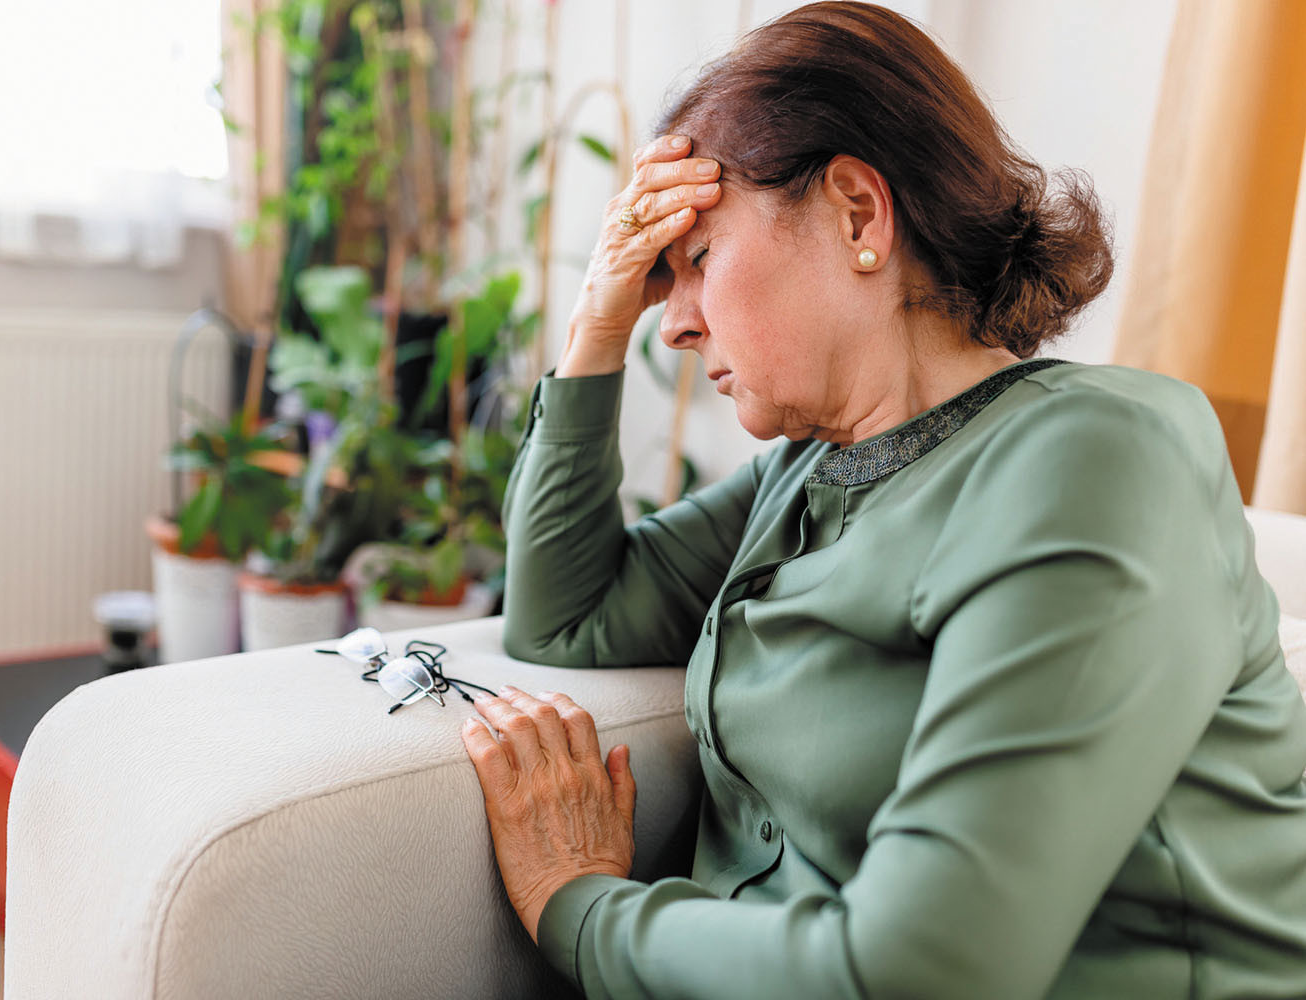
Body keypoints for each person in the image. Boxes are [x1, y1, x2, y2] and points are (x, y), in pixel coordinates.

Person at [458, 3, 1306, 997]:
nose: (672, 325)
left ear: (859, 214)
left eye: (695, 260)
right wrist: (596, 323)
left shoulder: (1101, 461)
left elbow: (928, 972)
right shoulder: (811, 470)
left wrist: (582, 906)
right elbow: (566, 617)